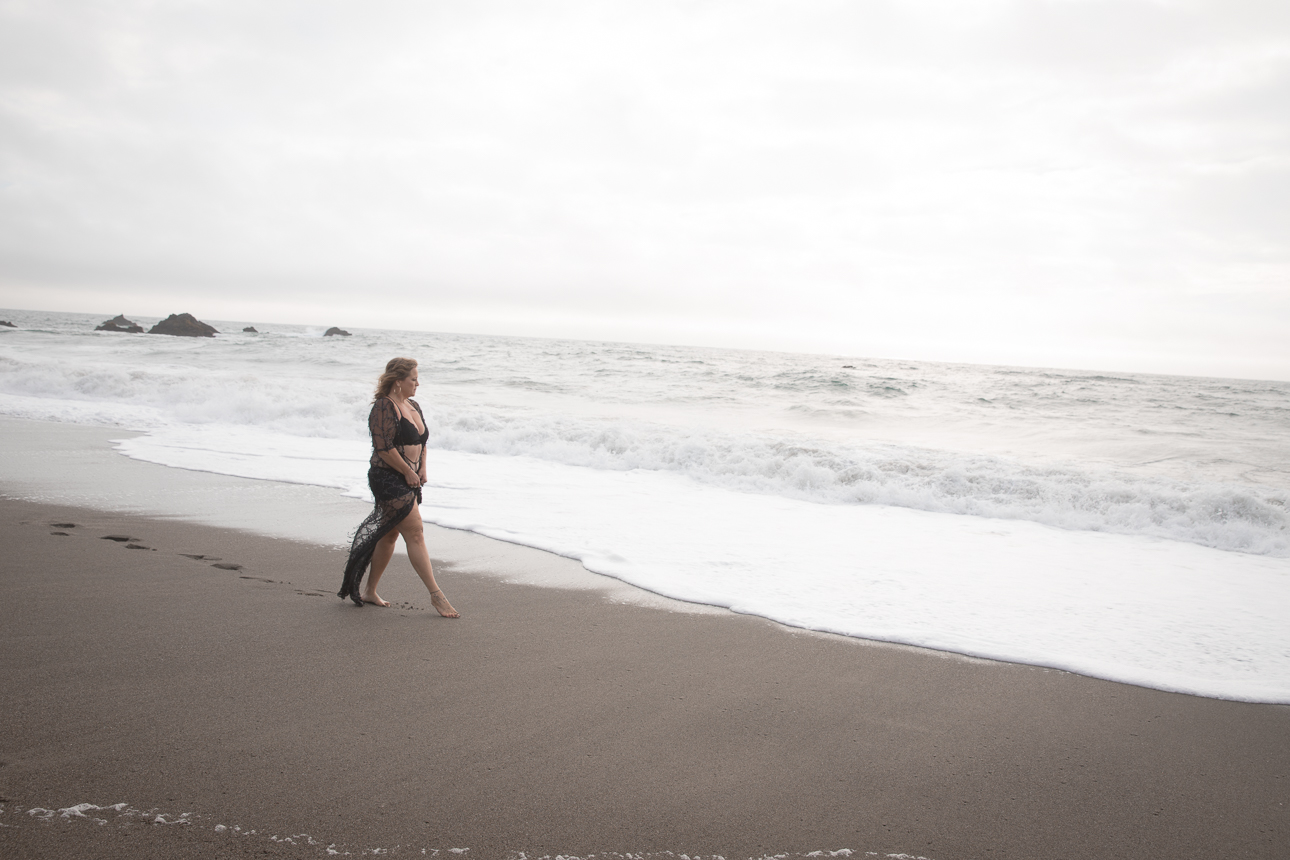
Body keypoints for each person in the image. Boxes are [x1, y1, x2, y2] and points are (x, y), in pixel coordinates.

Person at [339, 357, 459, 617]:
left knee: (390, 534)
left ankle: (370, 590)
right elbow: (384, 449)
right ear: (398, 382)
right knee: (415, 532)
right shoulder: (384, 407)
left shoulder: (413, 405)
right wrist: (407, 471)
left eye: (417, 378)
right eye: (413, 379)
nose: (418, 383)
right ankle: (436, 596)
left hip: (411, 477)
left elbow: (423, 441)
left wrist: (422, 468)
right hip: (387, 477)